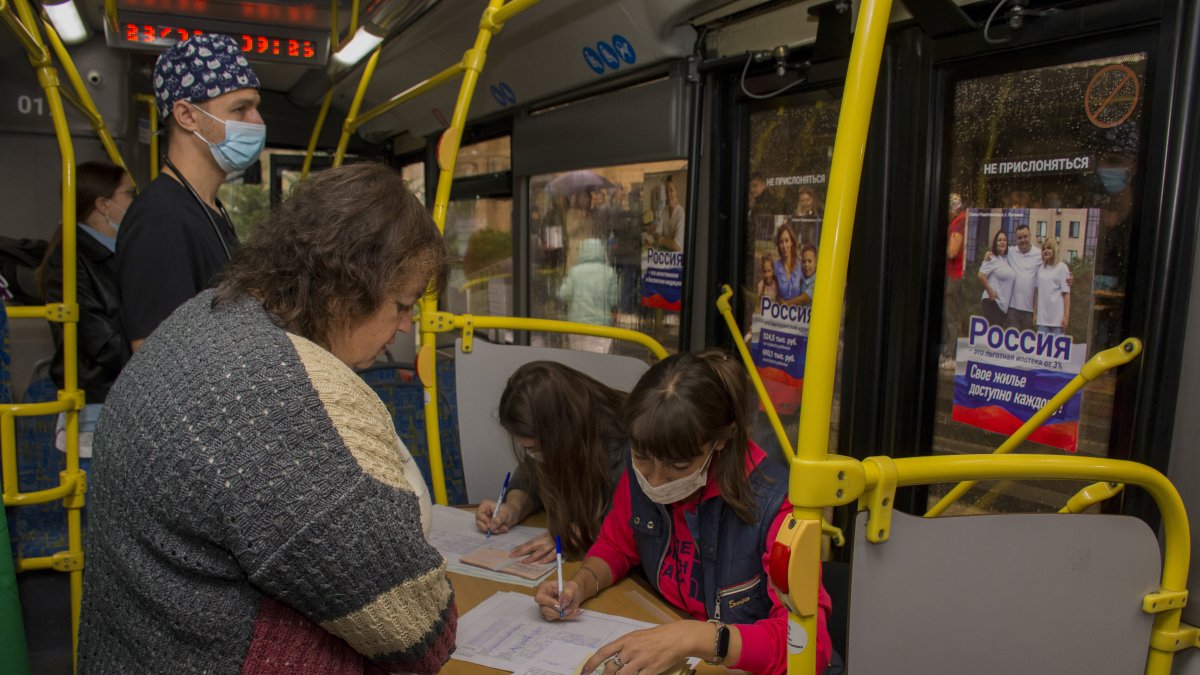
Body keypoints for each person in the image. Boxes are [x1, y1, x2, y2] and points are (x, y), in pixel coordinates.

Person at [78, 164, 456, 673]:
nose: (406, 326)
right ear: (347, 287)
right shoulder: (282, 398)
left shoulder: (201, 318)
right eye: (401, 305)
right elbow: (418, 630)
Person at [535, 350, 833, 675]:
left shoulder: (779, 506)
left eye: (678, 466)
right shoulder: (642, 474)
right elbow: (616, 545)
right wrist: (580, 584)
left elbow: (809, 648)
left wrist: (699, 637)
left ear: (720, 441)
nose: (654, 480)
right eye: (641, 457)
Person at [117, 33, 265, 351]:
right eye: (240, 109)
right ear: (187, 116)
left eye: (255, 108)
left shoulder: (209, 208)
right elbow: (158, 363)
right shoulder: (161, 220)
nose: (257, 121)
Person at [474, 362, 627, 562]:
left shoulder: (629, 445)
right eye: (528, 450)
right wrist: (512, 507)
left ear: (565, 431)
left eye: (537, 449)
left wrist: (574, 534)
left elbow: (627, 524)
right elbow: (532, 475)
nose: (536, 456)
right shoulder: (562, 434)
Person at [37, 161, 135, 455]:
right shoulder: (69, 260)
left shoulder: (116, 253)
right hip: (96, 410)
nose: (136, 202)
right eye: (130, 194)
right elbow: (101, 342)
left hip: (121, 400)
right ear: (104, 205)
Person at [558, 237, 619, 353]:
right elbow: (614, 300)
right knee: (599, 362)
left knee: (578, 362)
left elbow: (563, 294)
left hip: (577, 326)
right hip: (602, 327)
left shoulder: (575, 272)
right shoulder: (609, 272)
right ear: (601, 251)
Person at [940, 193, 967, 368]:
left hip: (954, 275)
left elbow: (952, 252)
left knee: (951, 316)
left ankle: (949, 354)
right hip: (957, 275)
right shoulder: (963, 220)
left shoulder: (958, 223)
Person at [1002, 223, 1043, 331]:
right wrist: (988, 255)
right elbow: (997, 252)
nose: (1022, 240)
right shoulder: (1011, 251)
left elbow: (1052, 266)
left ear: (1030, 236)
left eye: (1025, 236)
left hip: (1030, 311)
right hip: (1012, 309)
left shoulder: (1039, 254)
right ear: (1016, 239)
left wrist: (1068, 276)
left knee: (1028, 345)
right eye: (1019, 238)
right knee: (1012, 344)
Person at [977, 230, 1016, 327]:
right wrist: (990, 291)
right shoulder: (992, 257)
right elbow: (981, 275)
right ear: (995, 243)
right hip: (992, 304)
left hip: (1002, 307)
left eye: (1004, 240)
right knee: (992, 337)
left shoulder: (1006, 259)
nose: (1002, 242)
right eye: (999, 240)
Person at [1034, 236, 1071, 335]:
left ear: (1054, 250)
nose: (1046, 251)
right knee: (1040, 350)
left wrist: (1066, 317)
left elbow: (1066, 295)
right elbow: (1037, 293)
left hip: (1057, 322)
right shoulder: (1040, 269)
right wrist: (1035, 314)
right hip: (1042, 321)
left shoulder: (1062, 268)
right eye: (1044, 249)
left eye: (1049, 248)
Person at [773, 223, 806, 304]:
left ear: (791, 242)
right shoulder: (775, 267)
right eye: (781, 242)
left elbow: (807, 293)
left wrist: (788, 303)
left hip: (798, 314)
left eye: (786, 241)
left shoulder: (801, 266)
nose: (784, 246)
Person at [650, 175, 684, 252]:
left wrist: (661, 240)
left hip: (675, 259)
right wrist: (665, 240)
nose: (668, 194)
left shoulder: (681, 214)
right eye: (666, 191)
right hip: (665, 255)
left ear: (676, 191)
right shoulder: (665, 210)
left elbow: (676, 246)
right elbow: (657, 233)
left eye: (671, 190)